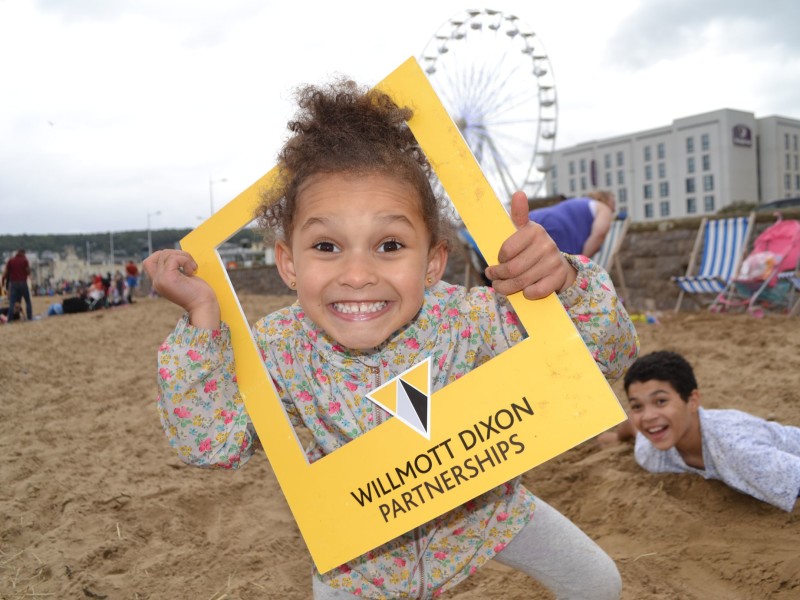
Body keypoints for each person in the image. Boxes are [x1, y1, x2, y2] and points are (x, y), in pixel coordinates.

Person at [144, 79, 638, 599]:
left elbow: (603, 357)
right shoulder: (280, 348)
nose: (357, 274)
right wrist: (202, 314)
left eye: (390, 244)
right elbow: (213, 443)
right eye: (327, 245)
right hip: (358, 557)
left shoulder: (467, 317)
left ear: (432, 262)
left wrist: (561, 283)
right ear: (288, 263)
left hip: (481, 509)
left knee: (597, 581)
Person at [605, 350, 800, 512]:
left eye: (661, 401)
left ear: (692, 401)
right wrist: (617, 437)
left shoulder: (737, 448)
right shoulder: (651, 453)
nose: (647, 416)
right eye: (637, 406)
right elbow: (632, 424)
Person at [528, 191, 616, 257]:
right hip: (560, 230)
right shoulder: (603, 208)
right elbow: (599, 234)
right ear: (605, 199)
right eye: (613, 203)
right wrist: (581, 263)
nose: (614, 209)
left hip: (536, 216)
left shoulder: (581, 202)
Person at [2, 248, 33, 323]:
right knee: (27, 301)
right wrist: (29, 277)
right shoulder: (25, 260)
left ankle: (10, 319)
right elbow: (28, 271)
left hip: (14, 283)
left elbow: (6, 272)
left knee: (12, 302)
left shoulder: (11, 260)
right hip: (23, 282)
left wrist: (3, 280)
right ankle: (29, 317)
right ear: (23, 253)